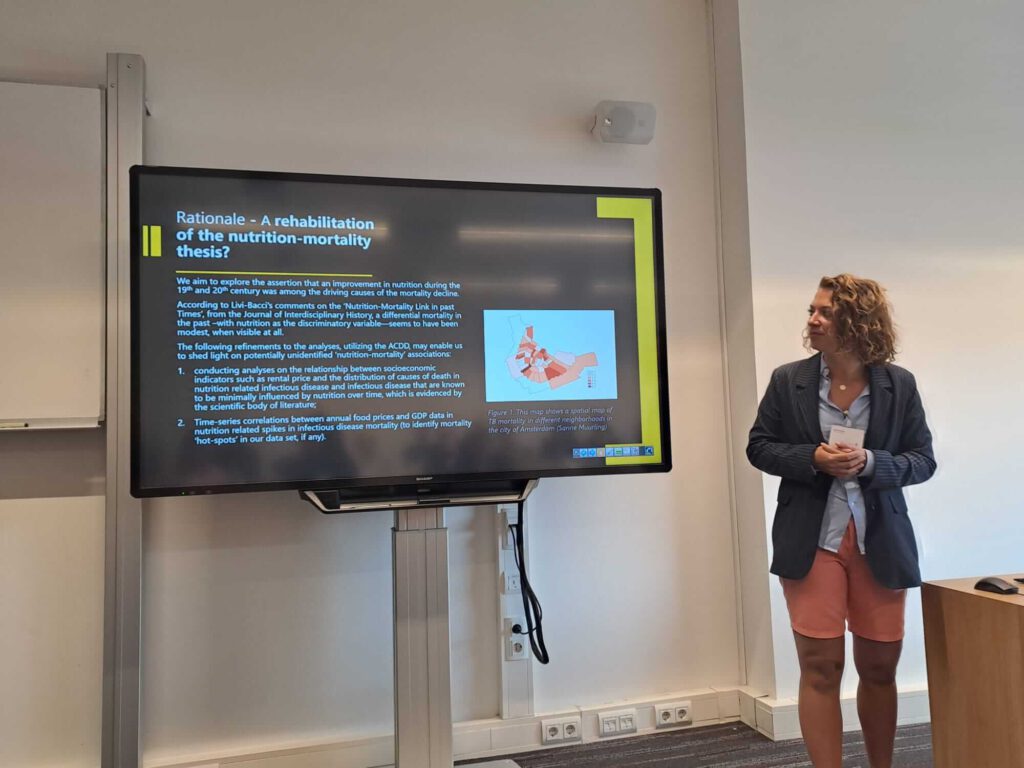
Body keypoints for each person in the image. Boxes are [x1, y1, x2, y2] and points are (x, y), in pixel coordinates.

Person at [747, 274, 936, 768]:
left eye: (825, 313)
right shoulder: (789, 380)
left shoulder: (899, 385)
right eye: (812, 311)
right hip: (812, 541)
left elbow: (923, 460)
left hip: (881, 542)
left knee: (879, 669)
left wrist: (872, 463)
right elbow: (759, 447)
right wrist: (812, 457)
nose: (812, 320)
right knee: (820, 668)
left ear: (858, 322)